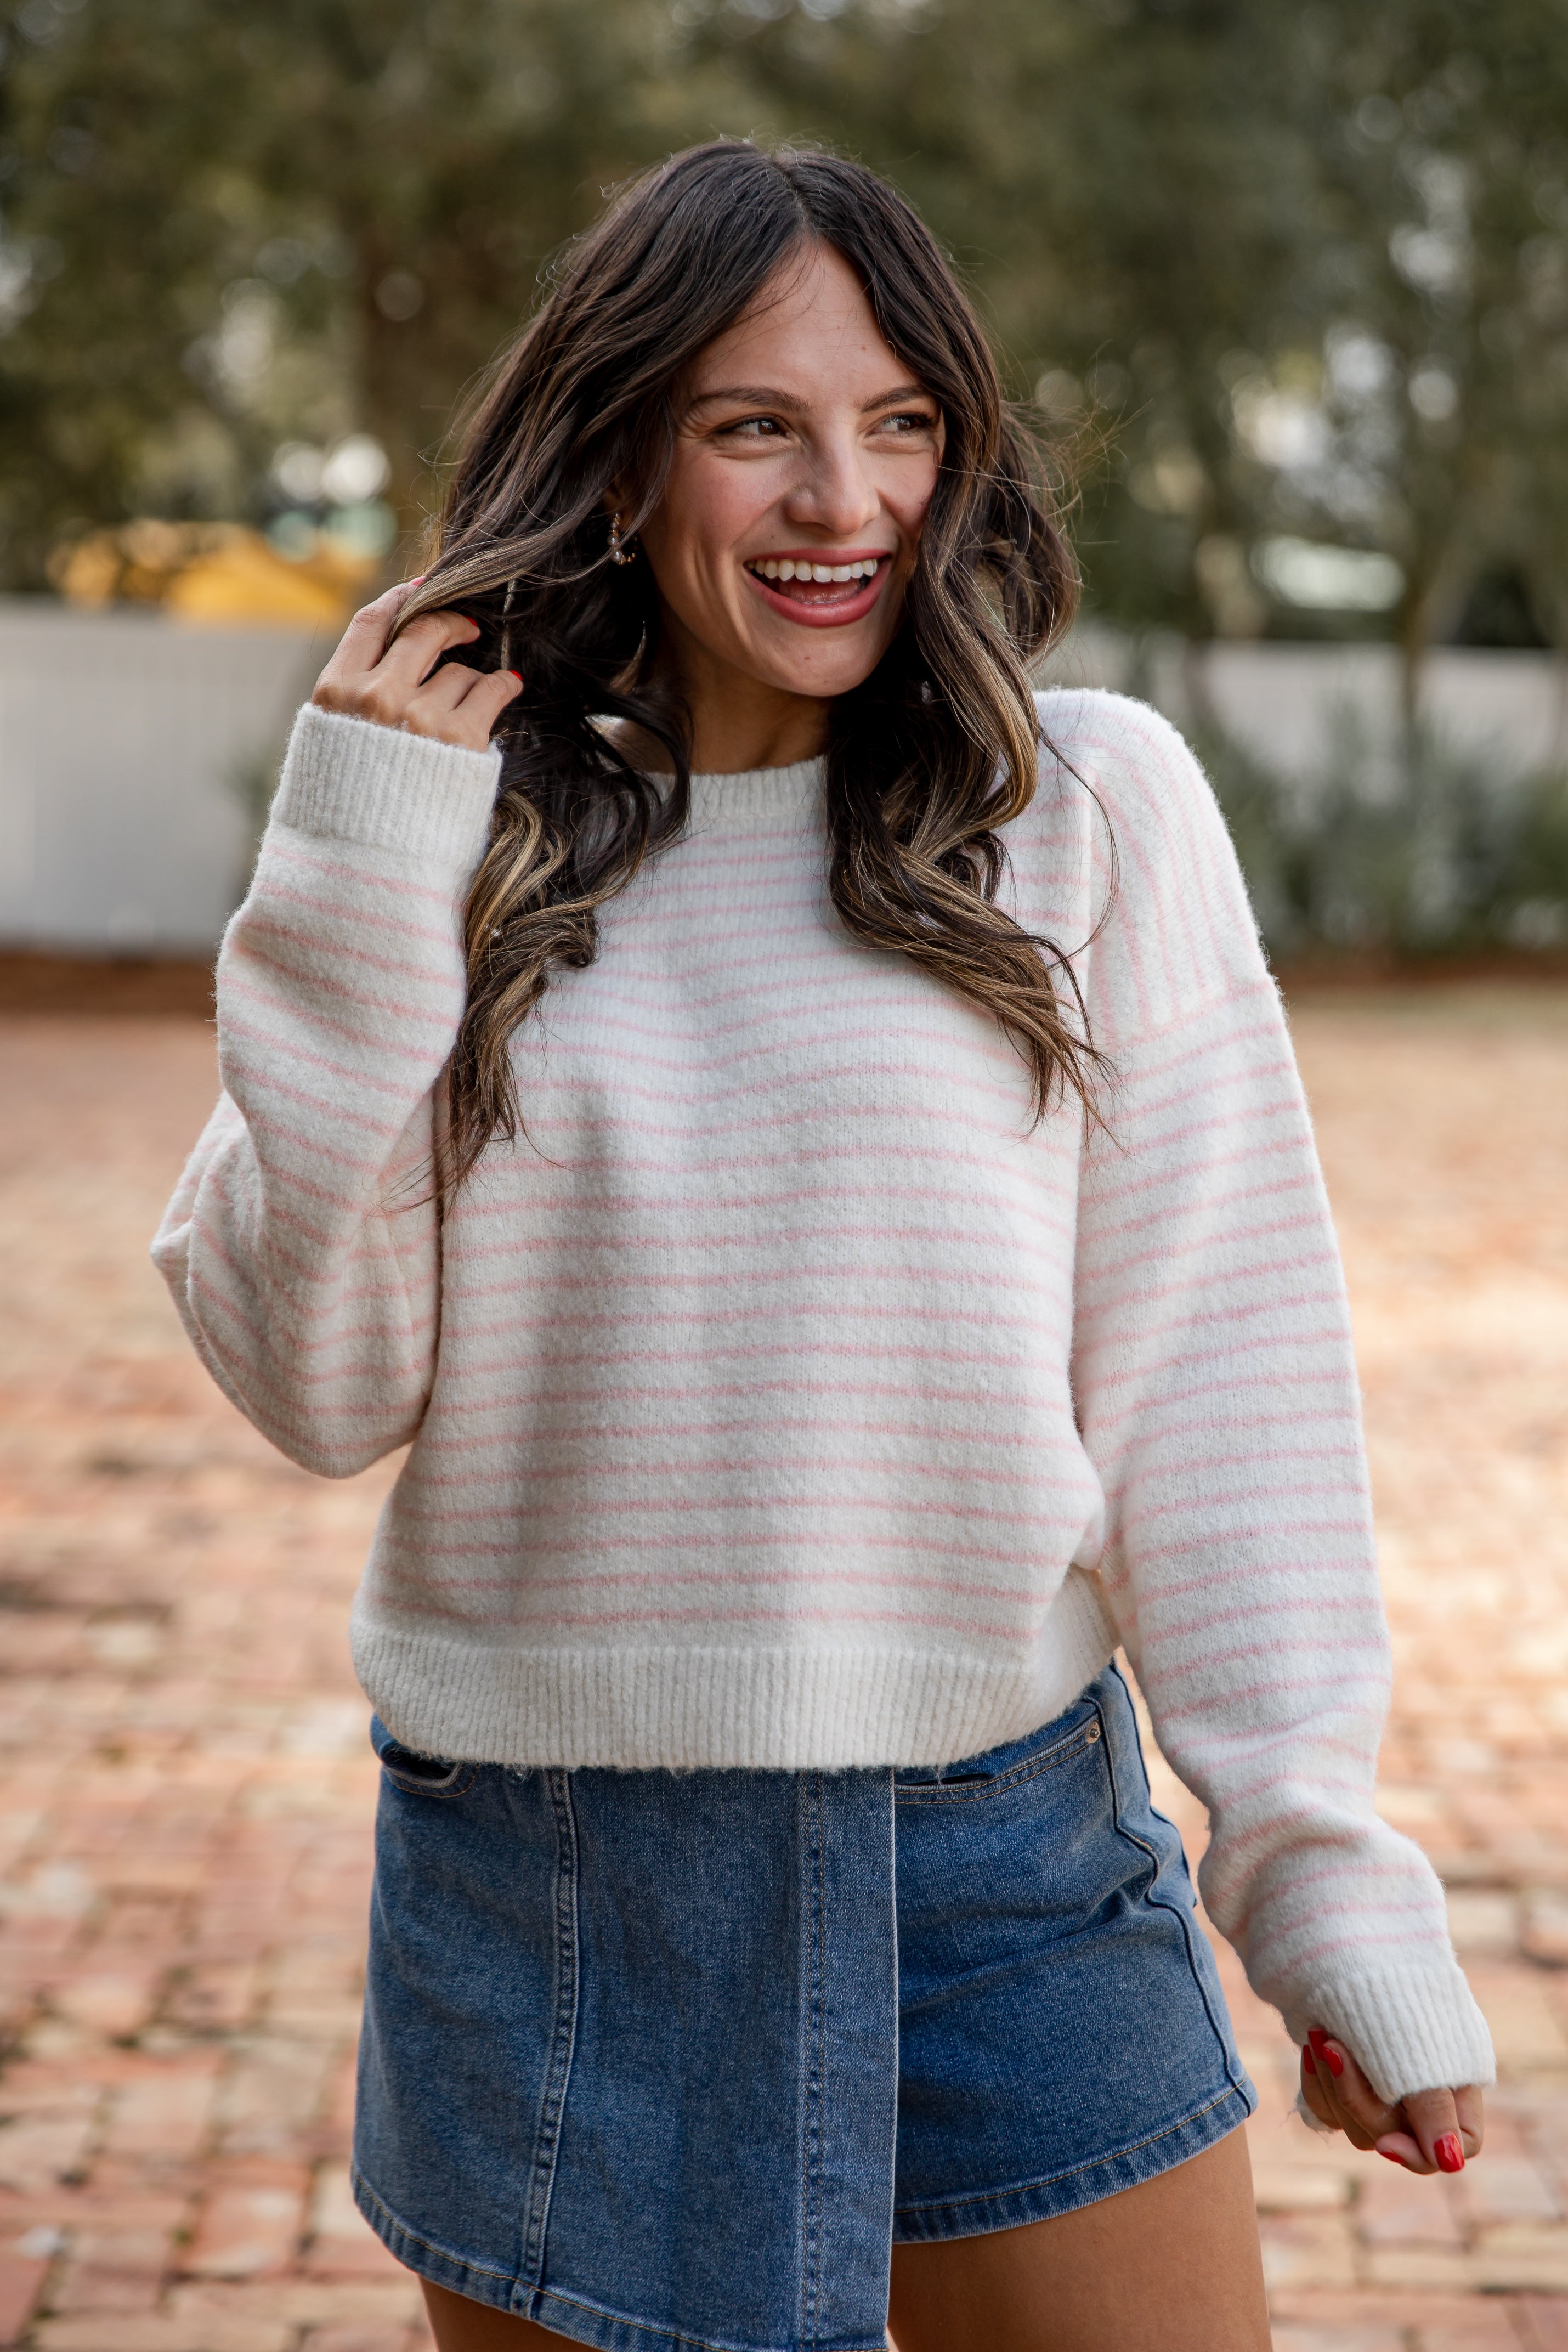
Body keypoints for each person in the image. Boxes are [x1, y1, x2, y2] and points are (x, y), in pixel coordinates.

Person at [153, 140, 1492, 2352]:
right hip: (556, 1879)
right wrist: (347, 876)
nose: (837, 498)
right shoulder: (447, 851)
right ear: (616, 451)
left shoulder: (1081, 807)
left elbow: (1218, 1379)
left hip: (1000, 1866)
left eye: (897, 425)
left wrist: (1319, 1884)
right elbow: (314, 1382)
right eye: (752, 424)